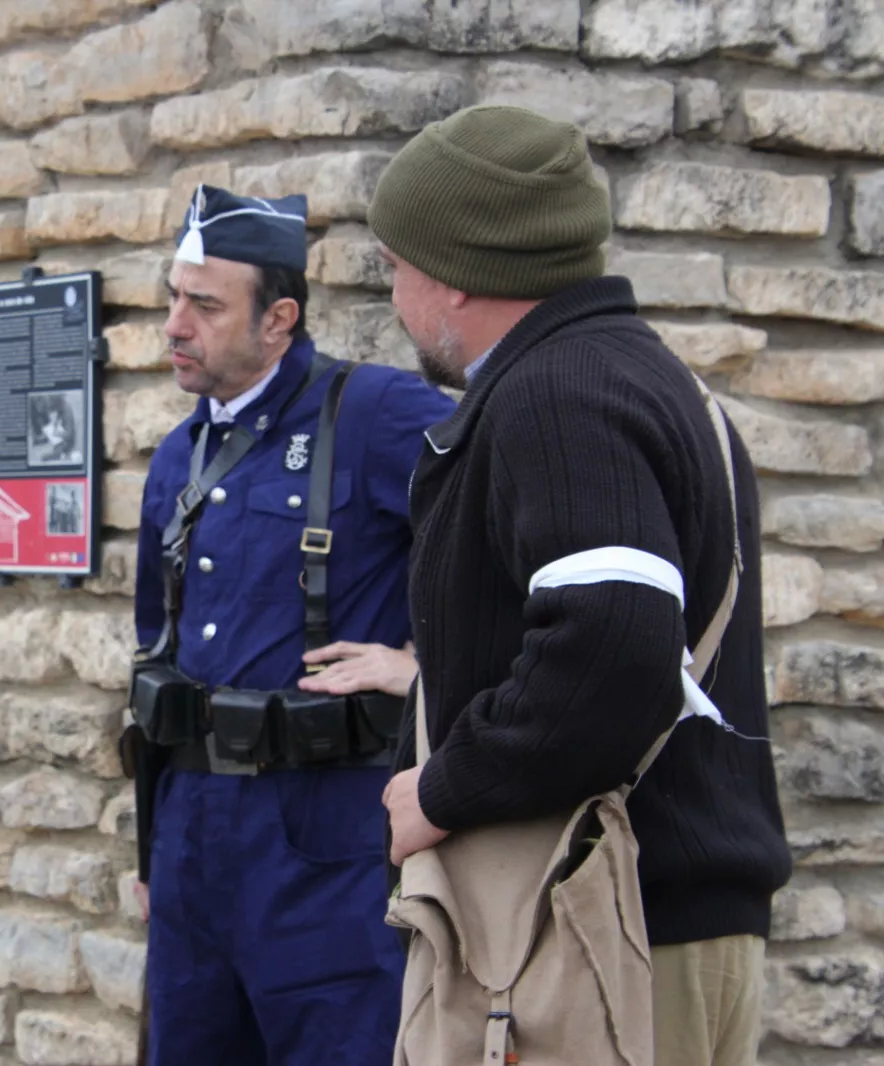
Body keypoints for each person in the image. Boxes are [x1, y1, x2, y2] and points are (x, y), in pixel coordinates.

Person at [368, 104, 792, 1065]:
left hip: (601, 932)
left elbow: (609, 649)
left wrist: (442, 789)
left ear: (456, 273)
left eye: (395, 264)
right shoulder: (666, 385)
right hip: (660, 922)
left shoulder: (554, 395)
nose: (392, 293)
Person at [129, 184, 455, 1065]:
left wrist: (426, 668)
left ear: (278, 318)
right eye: (173, 297)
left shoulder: (377, 415)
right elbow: (152, 668)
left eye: (203, 305)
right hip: (194, 839)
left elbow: (516, 528)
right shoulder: (178, 456)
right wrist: (154, 856)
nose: (175, 325)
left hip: (326, 847)